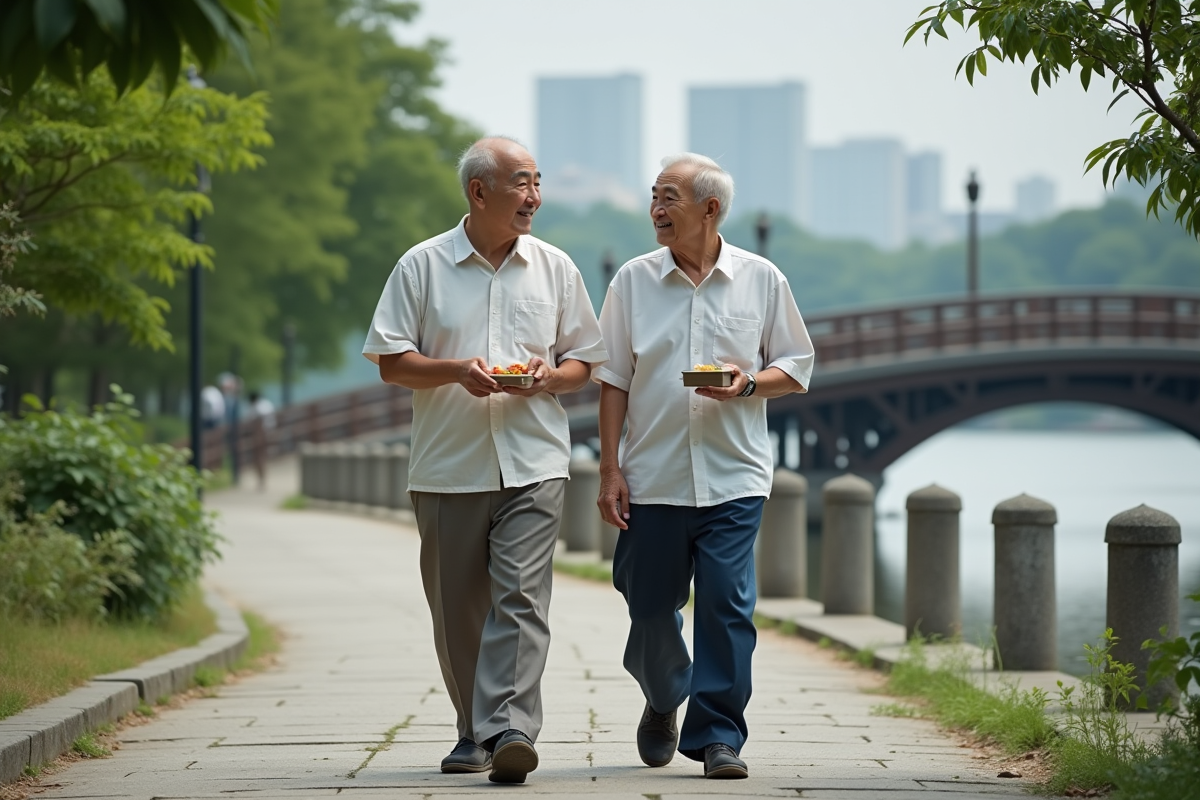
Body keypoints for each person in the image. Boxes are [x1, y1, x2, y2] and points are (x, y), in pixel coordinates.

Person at [362, 136, 607, 785]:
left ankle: (511, 728)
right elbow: (391, 362)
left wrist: (549, 376)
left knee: (522, 598)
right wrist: (455, 371)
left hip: (534, 459)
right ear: (479, 192)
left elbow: (585, 361)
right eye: (521, 183)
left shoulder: (555, 267)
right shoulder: (422, 266)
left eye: (537, 181)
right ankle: (475, 730)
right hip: (449, 462)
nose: (535, 196)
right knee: (459, 606)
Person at [594, 153, 814, 780]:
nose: (657, 209)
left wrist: (748, 385)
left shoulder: (761, 279)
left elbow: (795, 366)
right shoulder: (633, 282)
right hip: (653, 476)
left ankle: (719, 734)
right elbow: (612, 379)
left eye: (670, 198)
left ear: (710, 210)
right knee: (649, 605)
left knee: (726, 606)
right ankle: (664, 696)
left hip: (734, 477)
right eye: (654, 196)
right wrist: (610, 469)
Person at [245, 391, 276, 490]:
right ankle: (262, 479)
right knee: (261, 457)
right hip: (267, 433)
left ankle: (261, 480)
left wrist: (257, 436)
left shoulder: (257, 407)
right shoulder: (266, 404)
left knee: (259, 457)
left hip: (260, 434)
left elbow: (259, 421)